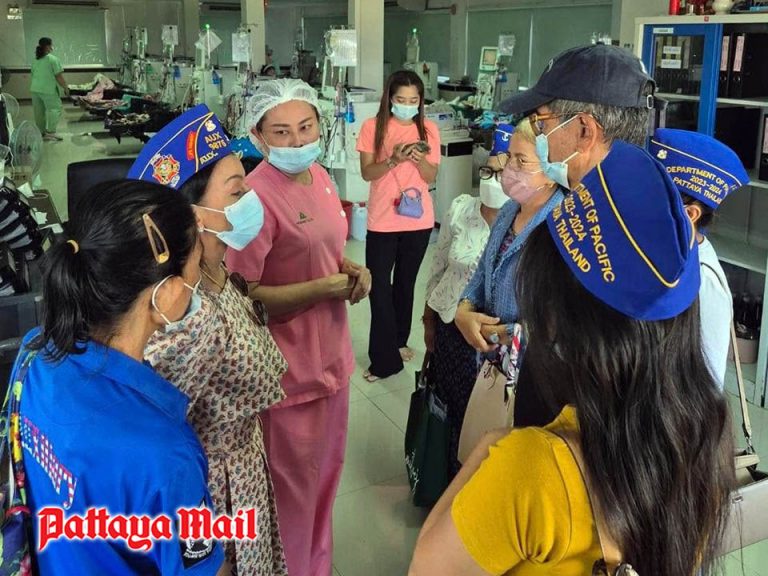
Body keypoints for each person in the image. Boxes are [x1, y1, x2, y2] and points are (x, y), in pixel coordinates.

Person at [409, 141, 735, 576]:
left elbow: (426, 566)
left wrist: (482, 455)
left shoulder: (533, 466)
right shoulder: (703, 436)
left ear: (559, 321)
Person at [10, 180, 225, 574]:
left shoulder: (35, 353)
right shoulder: (165, 454)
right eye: (196, 266)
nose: (197, 284)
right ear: (165, 295)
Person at [128, 105, 289, 576]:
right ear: (189, 214)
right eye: (236, 192)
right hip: (214, 496)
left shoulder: (219, 271)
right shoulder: (180, 313)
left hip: (246, 474)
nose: (251, 200)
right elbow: (157, 444)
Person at [226, 79, 370, 576]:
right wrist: (322, 288)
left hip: (333, 362)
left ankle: (317, 567)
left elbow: (326, 248)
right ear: (258, 137)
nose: (297, 141)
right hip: (288, 374)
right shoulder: (255, 198)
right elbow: (242, 294)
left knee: (326, 481)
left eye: (306, 127)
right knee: (291, 495)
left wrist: (350, 269)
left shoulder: (322, 177)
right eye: (281, 132)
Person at [497, 44, 656, 426]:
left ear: (584, 130)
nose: (540, 139)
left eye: (542, 124)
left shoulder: (580, 237)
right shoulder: (646, 223)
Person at [423, 124, 511, 479]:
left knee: (486, 423)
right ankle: (442, 479)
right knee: (450, 408)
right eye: (488, 171)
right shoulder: (462, 208)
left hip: (493, 345)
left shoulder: (523, 226)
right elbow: (438, 268)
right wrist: (428, 320)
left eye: (503, 173)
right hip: (450, 329)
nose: (492, 180)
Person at [357, 69, 441, 381]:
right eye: (401, 100)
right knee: (379, 288)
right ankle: (384, 361)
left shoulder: (428, 129)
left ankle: (399, 341)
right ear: (390, 99)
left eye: (413, 100)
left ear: (421, 101)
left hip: (418, 221)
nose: (407, 105)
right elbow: (367, 173)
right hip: (382, 221)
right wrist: (393, 159)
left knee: (406, 284)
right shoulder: (372, 127)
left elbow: (431, 176)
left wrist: (417, 159)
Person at [650, 128, 749, 388]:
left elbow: (708, 382)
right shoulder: (664, 253)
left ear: (690, 214)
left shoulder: (705, 280)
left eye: (653, 196)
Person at [454, 118, 560, 355]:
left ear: (552, 171)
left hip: (534, 360)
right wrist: (464, 309)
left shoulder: (561, 226)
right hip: (492, 358)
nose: (509, 167)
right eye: (510, 156)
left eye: (521, 160)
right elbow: (483, 270)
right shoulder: (509, 210)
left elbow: (559, 317)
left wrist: (498, 334)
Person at [499, 44, 655, 190]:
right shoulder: (637, 195)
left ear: (585, 132)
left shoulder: (597, 209)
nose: (537, 136)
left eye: (541, 124)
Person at [30, 37, 69, 142]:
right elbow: (59, 77)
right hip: (48, 90)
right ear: (48, 46)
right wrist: (66, 87)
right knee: (55, 109)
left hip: (35, 89)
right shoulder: (53, 59)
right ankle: (51, 133)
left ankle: (41, 132)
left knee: (39, 112)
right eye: (51, 45)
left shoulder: (35, 60)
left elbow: (33, 74)